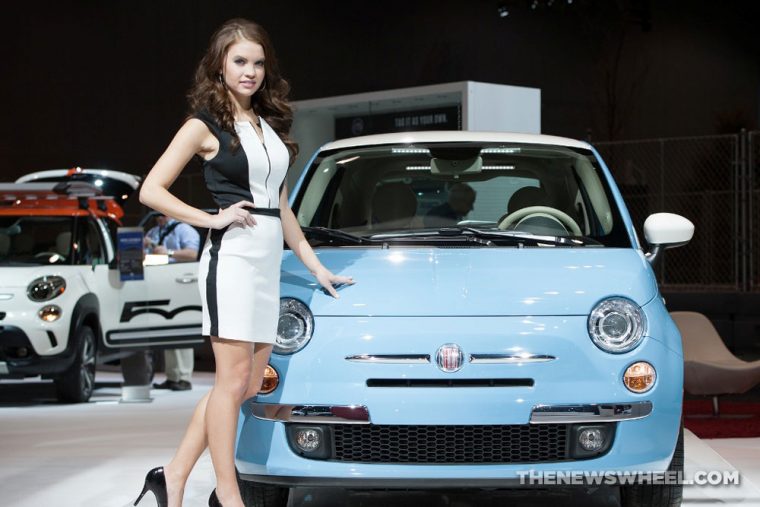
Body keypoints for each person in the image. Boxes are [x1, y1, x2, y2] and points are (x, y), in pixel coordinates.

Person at [134, 18, 353, 507]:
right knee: (229, 383)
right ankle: (228, 495)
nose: (250, 71)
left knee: (249, 384)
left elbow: (281, 207)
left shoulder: (267, 124)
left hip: (264, 265)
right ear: (219, 67)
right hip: (230, 260)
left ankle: (170, 476)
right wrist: (210, 219)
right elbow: (151, 190)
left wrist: (313, 264)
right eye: (239, 61)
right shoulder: (203, 125)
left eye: (257, 62)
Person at [145, 215, 201, 391]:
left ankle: (184, 377)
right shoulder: (154, 232)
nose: (158, 216)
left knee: (181, 329)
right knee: (168, 332)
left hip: (180, 282)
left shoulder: (184, 229)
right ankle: (172, 376)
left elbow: (192, 253)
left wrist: (169, 253)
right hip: (159, 282)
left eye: (160, 213)